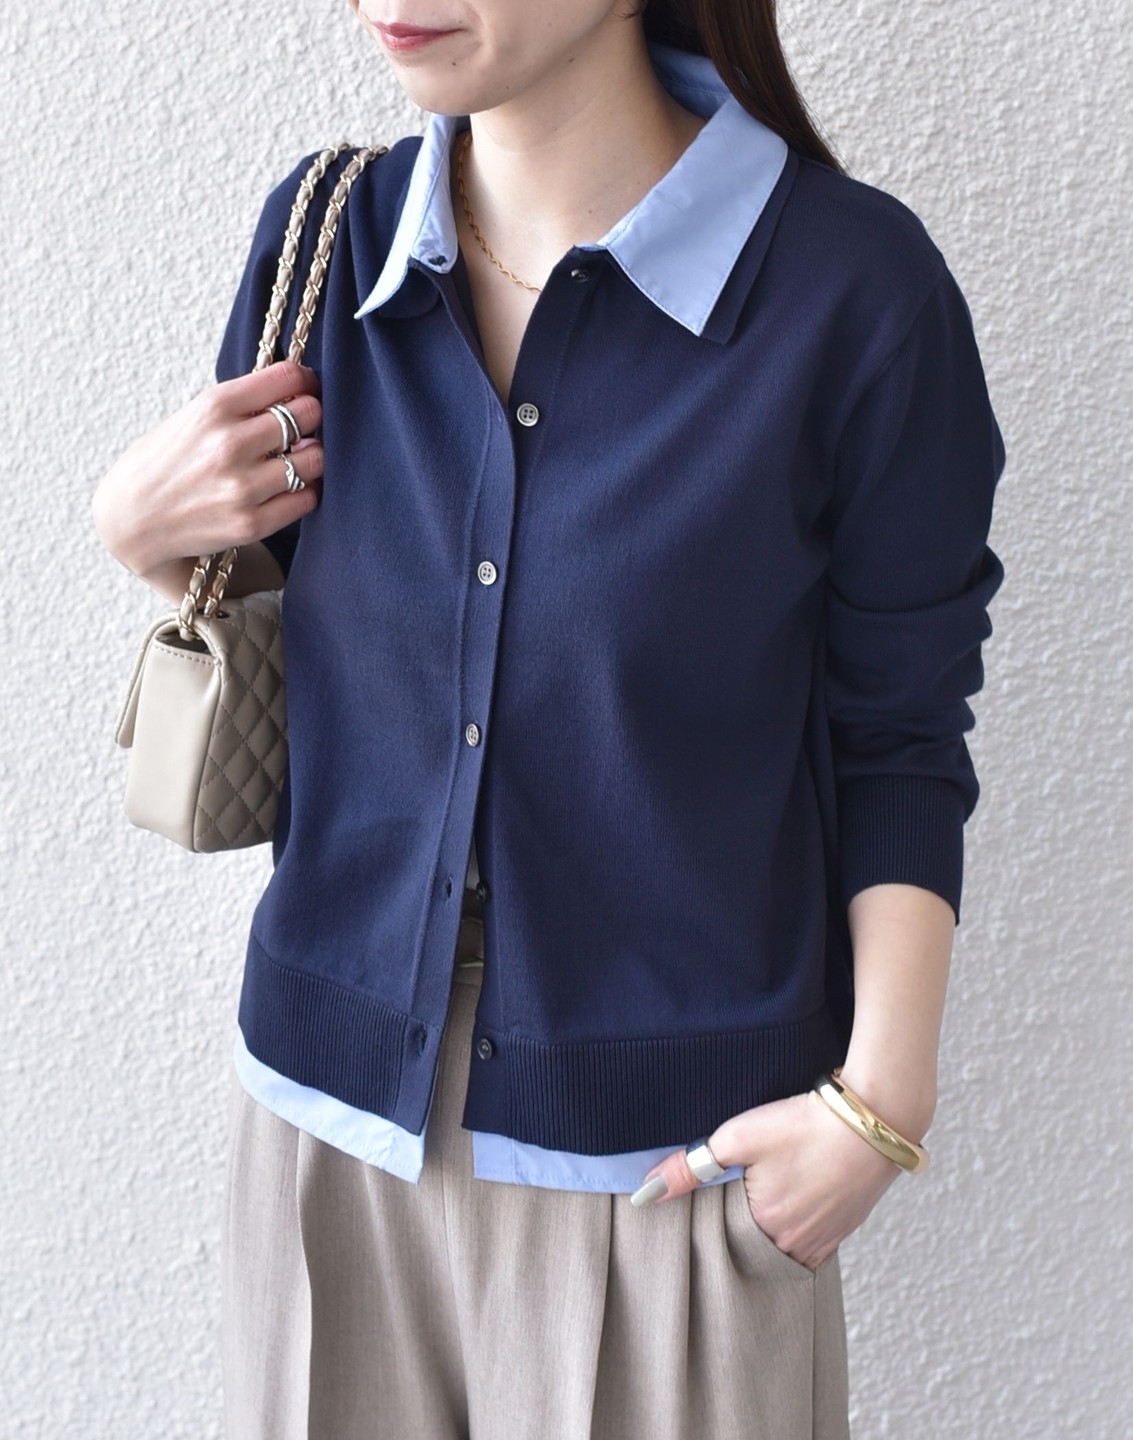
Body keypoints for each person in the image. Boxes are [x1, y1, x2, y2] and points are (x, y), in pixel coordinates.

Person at [92, 1, 1006, 1435]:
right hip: (327, 1142)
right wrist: (140, 535)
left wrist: (878, 1107)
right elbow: (295, 630)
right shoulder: (327, 241)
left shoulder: (854, 292)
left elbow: (900, 731)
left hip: (670, 1179)